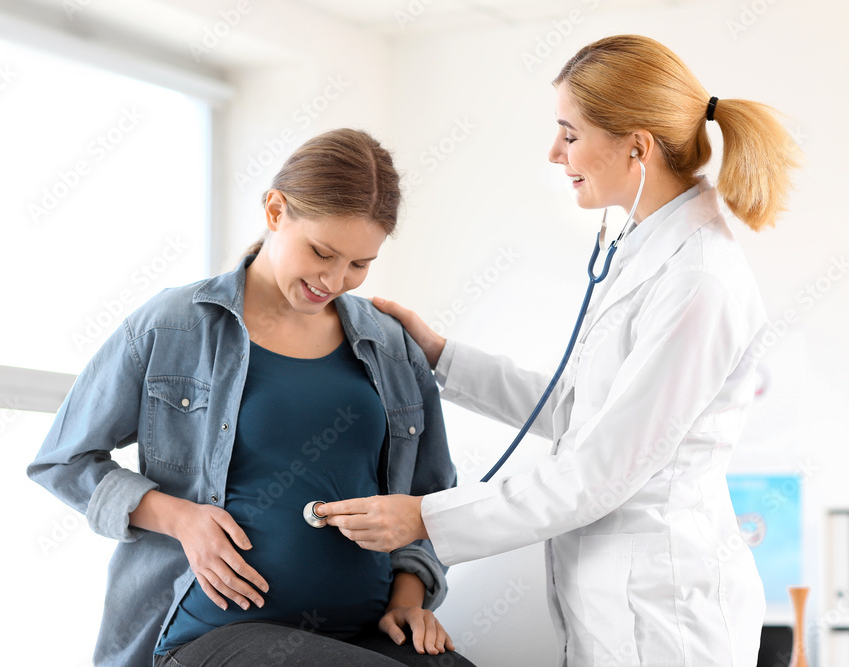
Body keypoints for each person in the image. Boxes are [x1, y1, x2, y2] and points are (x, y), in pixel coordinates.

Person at [318, 35, 802, 666]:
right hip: (613, 602)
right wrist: (442, 356)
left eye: (569, 135)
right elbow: (579, 409)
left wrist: (424, 518)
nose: (554, 153)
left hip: (664, 616)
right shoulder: (647, 253)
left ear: (637, 145)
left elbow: (598, 470)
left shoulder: (698, 281)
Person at [27, 128, 476, 667]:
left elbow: (429, 496)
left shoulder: (390, 344)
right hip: (208, 636)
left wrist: (409, 600)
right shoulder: (172, 326)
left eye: (359, 265)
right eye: (322, 252)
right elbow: (63, 459)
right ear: (275, 210)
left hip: (363, 635)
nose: (334, 280)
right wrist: (179, 518)